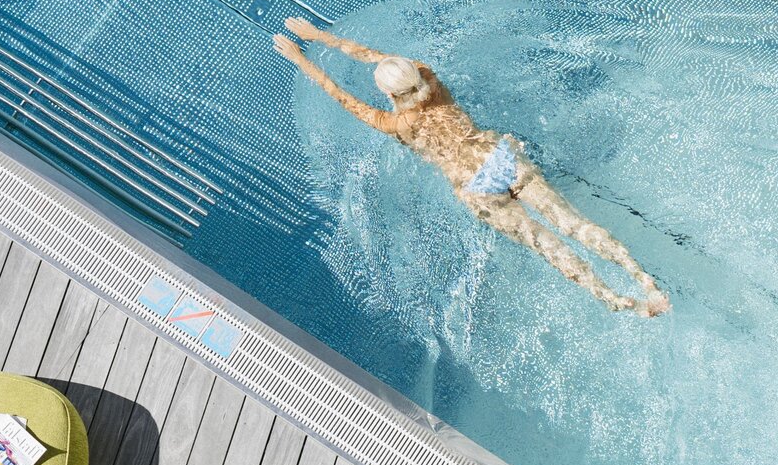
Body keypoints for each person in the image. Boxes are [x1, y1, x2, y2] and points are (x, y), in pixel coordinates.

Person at [274, 17, 670, 316]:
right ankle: (643, 279)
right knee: (572, 223)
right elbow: (376, 56)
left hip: (476, 188)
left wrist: (301, 55)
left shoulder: (396, 124)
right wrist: (324, 36)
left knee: (548, 245)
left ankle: (620, 301)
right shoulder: (429, 75)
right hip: (498, 158)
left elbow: (341, 97)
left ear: (387, 93)